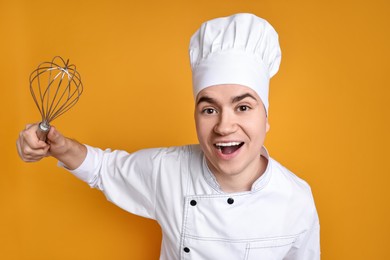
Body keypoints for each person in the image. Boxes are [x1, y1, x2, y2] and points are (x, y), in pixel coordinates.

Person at [17, 13, 320, 260]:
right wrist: (57, 145)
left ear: (266, 118)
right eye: (209, 110)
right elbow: (103, 169)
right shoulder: (168, 170)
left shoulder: (296, 201)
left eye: (242, 107)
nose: (225, 126)